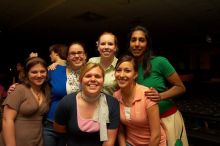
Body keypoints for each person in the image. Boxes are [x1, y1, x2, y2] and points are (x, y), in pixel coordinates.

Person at [128, 25, 188, 146]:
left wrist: (160, 96)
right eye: (133, 40)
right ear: (129, 43)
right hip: (145, 125)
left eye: (142, 40)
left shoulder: (160, 62)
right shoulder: (129, 66)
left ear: (147, 44)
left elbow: (181, 87)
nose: (137, 44)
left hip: (167, 118)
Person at [54, 63, 120, 146]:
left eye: (97, 76)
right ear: (81, 80)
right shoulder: (67, 102)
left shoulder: (112, 103)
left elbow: (109, 141)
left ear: (103, 81)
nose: (93, 79)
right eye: (88, 76)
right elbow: (59, 130)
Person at [113, 55, 166, 146]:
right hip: (131, 143)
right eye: (118, 70)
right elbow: (120, 129)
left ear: (135, 74)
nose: (121, 75)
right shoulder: (116, 96)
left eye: (127, 71)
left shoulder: (147, 95)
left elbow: (156, 135)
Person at [43, 42, 87, 146]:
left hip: (77, 127)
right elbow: (36, 83)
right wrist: (19, 86)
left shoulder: (91, 74)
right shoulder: (54, 70)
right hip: (51, 125)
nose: (76, 56)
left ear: (85, 55)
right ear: (67, 57)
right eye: (72, 53)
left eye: (80, 53)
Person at [0, 57, 51, 146]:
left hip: (37, 141)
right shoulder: (19, 89)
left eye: (42, 71)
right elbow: (7, 119)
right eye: (34, 72)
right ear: (27, 74)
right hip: (16, 141)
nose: (39, 75)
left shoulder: (46, 91)